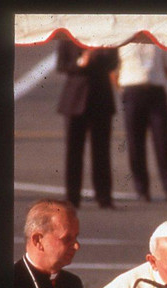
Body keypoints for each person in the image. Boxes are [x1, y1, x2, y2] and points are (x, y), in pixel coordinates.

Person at [116, 42, 167, 203]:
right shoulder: (123, 42)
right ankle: (141, 189)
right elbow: (113, 71)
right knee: (135, 143)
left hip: (155, 93)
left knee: (163, 142)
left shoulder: (157, 41)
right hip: (133, 91)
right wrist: (122, 89)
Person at [56, 40, 119, 209]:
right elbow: (61, 65)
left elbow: (114, 62)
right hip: (74, 100)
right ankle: (72, 198)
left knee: (101, 151)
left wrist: (96, 57)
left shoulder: (105, 37)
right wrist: (80, 62)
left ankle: (104, 197)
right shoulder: (68, 38)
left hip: (101, 100)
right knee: (73, 152)